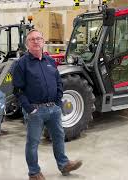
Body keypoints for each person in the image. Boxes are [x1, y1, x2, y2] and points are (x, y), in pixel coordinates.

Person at [12, 29, 82, 180]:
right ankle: (34, 173)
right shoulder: (21, 64)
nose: (36, 41)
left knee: (58, 137)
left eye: (38, 38)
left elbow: (58, 81)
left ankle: (64, 164)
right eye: (32, 39)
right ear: (27, 44)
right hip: (35, 111)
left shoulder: (50, 61)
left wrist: (58, 101)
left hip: (54, 109)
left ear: (43, 42)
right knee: (33, 143)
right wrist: (29, 109)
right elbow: (18, 90)